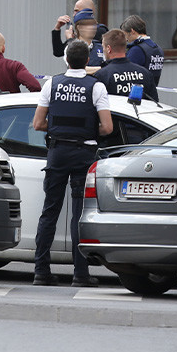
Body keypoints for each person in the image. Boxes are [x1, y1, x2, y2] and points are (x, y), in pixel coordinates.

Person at [31, 40, 113, 287]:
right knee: (79, 215)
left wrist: (58, 128)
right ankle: (81, 274)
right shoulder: (96, 87)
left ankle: (41, 271)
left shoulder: (52, 84)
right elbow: (107, 127)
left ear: (66, 60)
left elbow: (37, 124)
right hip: (84, 154)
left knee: (50, 211)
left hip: (57, 152)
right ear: (88, 61)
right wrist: (87, 130)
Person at [93, 29, 158, 101]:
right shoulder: (145, 73)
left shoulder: (102, 75)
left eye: (103, 47)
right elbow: (154, 102)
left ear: (108, 48)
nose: (103, 50)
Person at [120, 14, 165, 85]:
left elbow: (124, 73)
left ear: (132, 31)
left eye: (125, 35)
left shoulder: (137, 50)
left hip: (137, 93)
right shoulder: (157, 48)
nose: (126, 39)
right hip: (152, 92)